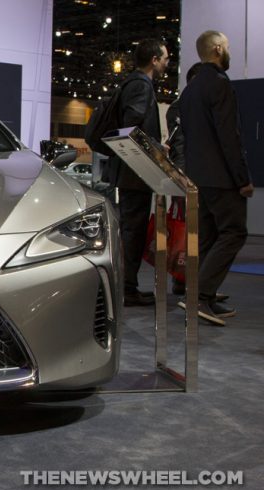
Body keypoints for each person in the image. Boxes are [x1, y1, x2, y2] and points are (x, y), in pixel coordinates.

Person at [178, 30, 254, 325]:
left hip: (197, 178)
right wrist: (242, 177)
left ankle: (201, 298)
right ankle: (201, 295)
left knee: (208, 238)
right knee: (234, 233)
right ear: (219, 48)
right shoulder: (220, 84)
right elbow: (229, 135)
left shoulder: (191, 89)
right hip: (222, 178)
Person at [107, 39, 170, 306]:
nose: (168, 62)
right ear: (154, 60)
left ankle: (128, 286)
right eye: (165, 57)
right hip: (135, 173)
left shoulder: (134, 83)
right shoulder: (140, 86)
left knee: (132, 230)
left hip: (131, 172)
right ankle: (127, 289)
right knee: (133, 231)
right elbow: (129, 128)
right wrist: (156, 148)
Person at [165, 61, 202, 295]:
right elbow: (179, 145)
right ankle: (182, 279)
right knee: (186, 229)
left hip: (187, 176)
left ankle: (188, 279)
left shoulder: (178, 107)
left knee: (189, 229)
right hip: (188, 177)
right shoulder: (182, 108)